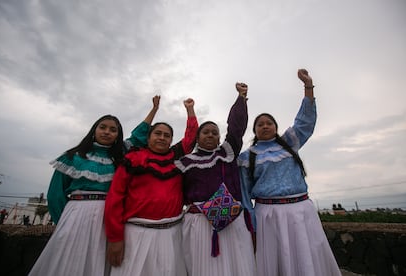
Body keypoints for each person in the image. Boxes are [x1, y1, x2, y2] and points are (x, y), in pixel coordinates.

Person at [29, 96, 161, 276]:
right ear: (94, 130)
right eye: (103, 127)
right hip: (75, 215)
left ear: (117, 135)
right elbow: (55, 195)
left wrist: (153, 110)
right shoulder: (72, 156)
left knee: (103, 260)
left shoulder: (120, 155)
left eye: (113, 130)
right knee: (69, 261)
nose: (107, 132)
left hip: (110, 216)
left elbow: (138, 136)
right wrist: (63, 224)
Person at [238, 69, 341, 276]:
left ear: (276, 127)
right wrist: (252, 224)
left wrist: (308, 86)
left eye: (269, 123)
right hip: (268, 215)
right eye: (260, 124)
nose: (265, 126)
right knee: (276, 263)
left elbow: (305, 122)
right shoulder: (246, 157)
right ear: (254, 130)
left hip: (301, 211)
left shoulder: (289, 143)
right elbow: (243, 195)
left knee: (307, 258)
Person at [104, 98, 198, 276]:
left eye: (167, 135)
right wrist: (115, 238)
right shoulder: (133, 158)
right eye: (158, 133)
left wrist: (190, 110)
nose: (162, 138)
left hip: (172, 235)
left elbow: (191, 136)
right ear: (148, 138)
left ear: (171, 140)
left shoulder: (177, 157)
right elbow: (115, 198)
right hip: (136, 235)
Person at [175, 83, 256, 276]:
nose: (210, 134)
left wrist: (242, 98)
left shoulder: (227, 153)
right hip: (198, 225)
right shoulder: (185, 162)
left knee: (236, 268)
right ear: (197, 137)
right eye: (206, 132)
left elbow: (236, 128)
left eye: (214, 132)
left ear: (219, 138)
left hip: (231, 221)